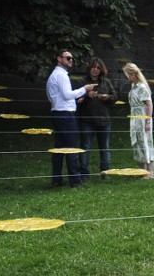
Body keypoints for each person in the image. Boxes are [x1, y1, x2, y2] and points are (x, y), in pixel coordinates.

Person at [46, 50, 97, 188]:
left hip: (57, 113)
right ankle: (75, 180)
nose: (71, 61)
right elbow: (68, 95)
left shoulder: (54, 75)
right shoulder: (61, 75)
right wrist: (85, 89)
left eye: (72, 59)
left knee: (59, 148)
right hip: (65, 115)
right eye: (68, 58)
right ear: (58, 58)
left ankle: (57, 179)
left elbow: (55, 97)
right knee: (71, 147)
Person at [77, 57, 117, 181]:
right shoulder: (81, 81)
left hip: (104, 120)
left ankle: (105, 172)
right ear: (89, 68)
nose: (95, 70)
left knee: (105, 147)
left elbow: (115, 97)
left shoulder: (106, 82)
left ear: (101, 70)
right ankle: (84, 173)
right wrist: (87, 95)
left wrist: (107, 97)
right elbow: (75, 98)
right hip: (87, 120)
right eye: (93, 67)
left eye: (98, 68)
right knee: (86, 147)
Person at [122, 62, 154, 179]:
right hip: (135, 119)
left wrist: (148, 121)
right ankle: (142, 171)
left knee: (146, 143)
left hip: (142, 118)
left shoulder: (141, 87)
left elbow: (149, 104)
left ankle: (150, 172)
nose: (126, 77)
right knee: (138, 144)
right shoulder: (133, 86)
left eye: (127, 74)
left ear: (133, 74)